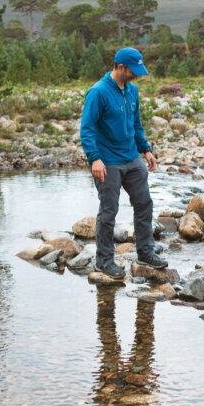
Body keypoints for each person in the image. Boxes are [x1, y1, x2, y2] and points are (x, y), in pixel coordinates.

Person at [80, 47, 167, 278]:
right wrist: (94, 158)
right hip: (108, 162)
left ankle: (146, 252)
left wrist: (145, 149)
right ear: (120, 67)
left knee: (144, 203)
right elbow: (87, 129)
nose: (137, 75)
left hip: (132, 158)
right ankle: (104, 260)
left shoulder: (132, 91)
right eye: (133, 70)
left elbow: (136, 124)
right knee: (109, 212)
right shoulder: (98, 92)